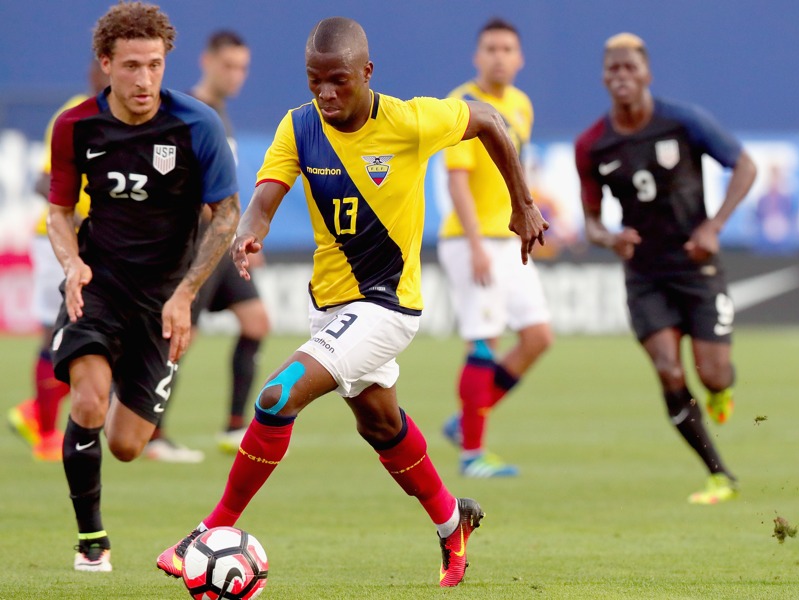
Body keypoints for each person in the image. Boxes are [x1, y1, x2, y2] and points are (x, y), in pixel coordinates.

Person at [156, 16, 547, 588]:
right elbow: (267, 192)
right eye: (315, 81)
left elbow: (488, 119)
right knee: (380, 423)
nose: (326, 93)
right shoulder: (300, 126)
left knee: (276, 396)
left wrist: (522, 202)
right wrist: (251, 228)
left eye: (338, 80)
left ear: (367, 72)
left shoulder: (411, 120)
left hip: (388, 306)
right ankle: (450, 522)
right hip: (332, 306)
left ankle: (206, 531)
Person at [47, 1, 240, 571]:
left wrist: (185, 295)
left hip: (162, 300)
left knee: (128, 445)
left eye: (154, 65)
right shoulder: (76, 126)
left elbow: (226, 215)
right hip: (98, 284)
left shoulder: (195, 124)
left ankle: (117, 388)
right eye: (131, 66)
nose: (144, 79)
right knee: (86, 400)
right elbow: (60, 212)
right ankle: (92, 543)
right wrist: (70, 264)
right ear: (106, 64)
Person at [574, 33, 757, 504]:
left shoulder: (683, 121)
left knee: (713, 374)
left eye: (630, 68)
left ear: (647, 74)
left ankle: (720, 391)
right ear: (602, 78)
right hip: (644, 275)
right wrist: (611, 238)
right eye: (613, 69)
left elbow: (746, 166)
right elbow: (591, 223)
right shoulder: (592, 145)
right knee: (668, 370)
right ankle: (719, 475)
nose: (621, 77)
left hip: (696, 265)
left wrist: (714, 226)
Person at [144, 29, 269, 461]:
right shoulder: (187, 113)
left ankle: (235, 426)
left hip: (222, 241)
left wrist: (241, 233)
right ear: (207, 62)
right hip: (195, 245)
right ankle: (151, 433)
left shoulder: (219, 114)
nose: (236, 75)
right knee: (182, 335)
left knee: (256, 322)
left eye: (243, 67)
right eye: (228, 66)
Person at [437, 18, 552, 478]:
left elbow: (516, 171)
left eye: (507, 48)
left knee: (538, 336)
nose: (499, 56)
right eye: (491, 48)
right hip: (472, 240)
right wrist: (474, 244)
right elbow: (457, 180)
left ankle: (465, 423)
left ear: (519, 58)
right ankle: (472, 454)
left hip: (508, 237)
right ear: (477, 57)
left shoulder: (521, 105)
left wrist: (530, 217)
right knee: (484, 338)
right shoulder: (461, 105)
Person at [7, 60, 107, 462]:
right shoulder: (74, 115)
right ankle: (46, 432)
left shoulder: (127, 121)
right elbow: (42, 180)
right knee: (56, 331)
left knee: (102, 338)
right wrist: (80, 220)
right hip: (56, 243)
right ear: (101, 70)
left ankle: (34, 412)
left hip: (97, 246)